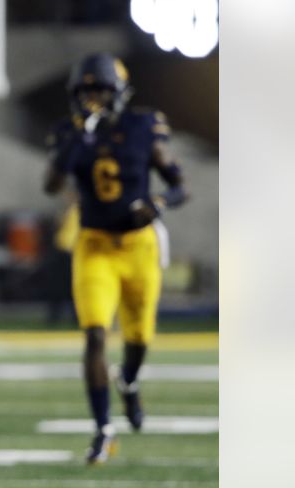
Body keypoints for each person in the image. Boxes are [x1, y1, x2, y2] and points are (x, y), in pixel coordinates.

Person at [42, 52, 188, 465]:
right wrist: (75, 138)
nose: (93, 100)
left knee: (139, 339)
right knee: (93, 334)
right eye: (86, 92)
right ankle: (103, 428)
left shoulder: (143, 126)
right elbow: (51, 185)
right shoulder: (70, 132)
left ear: (118, 93)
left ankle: (129, 379)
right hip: (94, 246)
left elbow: (179, 186)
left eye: (101, 91)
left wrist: (158, 202)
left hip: (139, 246)